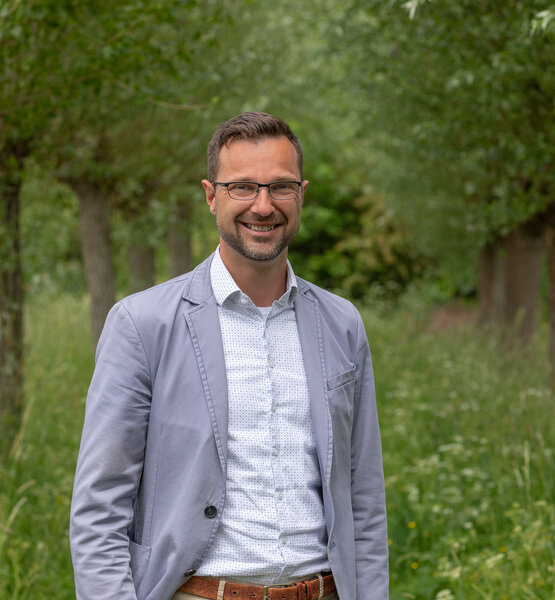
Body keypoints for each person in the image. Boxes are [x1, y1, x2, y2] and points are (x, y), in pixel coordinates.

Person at [69, 112, 388, 600]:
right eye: (242, 187)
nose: (263, 206)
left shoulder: (342, 324)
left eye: (280, 187)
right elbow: (99, 510)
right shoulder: (142, 325)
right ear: (211, 196)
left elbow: (363, 500)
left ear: (301, 194)